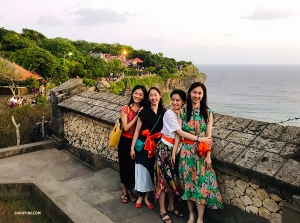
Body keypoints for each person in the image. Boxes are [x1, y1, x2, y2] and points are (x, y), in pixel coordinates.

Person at [155, 89, 213, 223]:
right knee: (164, 180)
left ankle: (173, 207)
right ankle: (163, 210)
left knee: (177, 181)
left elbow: (208, 136)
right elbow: (179, 133)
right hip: (166, 150)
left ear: (183, 102)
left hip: (187, 152)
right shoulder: (172, 114)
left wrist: (207, 152)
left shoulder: (183, 113)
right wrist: (200, 139)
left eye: (178, 100)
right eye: (173, 100)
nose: (175, 102)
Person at [172, 82, 223, 223]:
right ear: (189, 93)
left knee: (201, 186)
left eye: (200, 93)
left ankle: (200, 218)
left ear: (203, 95)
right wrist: (174, 152)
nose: (197, 95)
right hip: (186, 154)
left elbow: (209, 137)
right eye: (194, 92)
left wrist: (208, 156)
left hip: (200, 154)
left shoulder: (208, 113)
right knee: (188, 185)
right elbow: (179, 133)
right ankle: (191, 215)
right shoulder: (183, 111)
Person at [130, 87, 165, 210]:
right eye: (151, 95)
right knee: (142, 171)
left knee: (151, 171)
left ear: (160, 96)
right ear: (148, 97)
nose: (153, 98)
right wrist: (132, 148)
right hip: (143, 145)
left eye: (156, 95)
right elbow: (137, 130)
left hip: (156, 146)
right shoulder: (143, 112)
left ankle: (147, 197)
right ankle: (140, 196)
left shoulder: (163, 112)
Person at [118, 85, 148, 204]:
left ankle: (130, 190)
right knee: (124, 166)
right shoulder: (125, 109)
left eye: (141, 94)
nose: (137, 96)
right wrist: (137, 116)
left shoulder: (144, 108)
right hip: (125, 141)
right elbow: (125, 128)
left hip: (138, 142)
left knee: (132, 167)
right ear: (132, 94)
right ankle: (125, 190)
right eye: (136, 93)